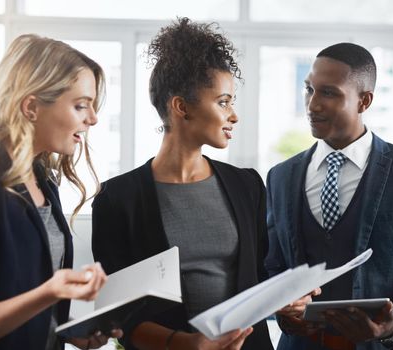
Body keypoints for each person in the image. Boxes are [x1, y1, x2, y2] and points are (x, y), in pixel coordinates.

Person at [91, 18, 273, 350]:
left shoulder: (246, 185)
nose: (234, 115)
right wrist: (184, 344)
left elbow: (259, 276)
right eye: (223, 102)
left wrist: (288, 301)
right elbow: (118, 314)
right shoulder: (117, 199)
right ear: (181, 107)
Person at [265, 42, 393, 350]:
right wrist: (283, 309)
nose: (312, 105)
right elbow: (273, 268)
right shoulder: (280, 176)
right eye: (308, 90)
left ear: (364, 101)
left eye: (328, 93)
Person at [0, 34, 123, 350]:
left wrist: (66, 329)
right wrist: (52, 292)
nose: (92, 119)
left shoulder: (43, 180)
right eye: (81, 105)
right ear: (31, 107)